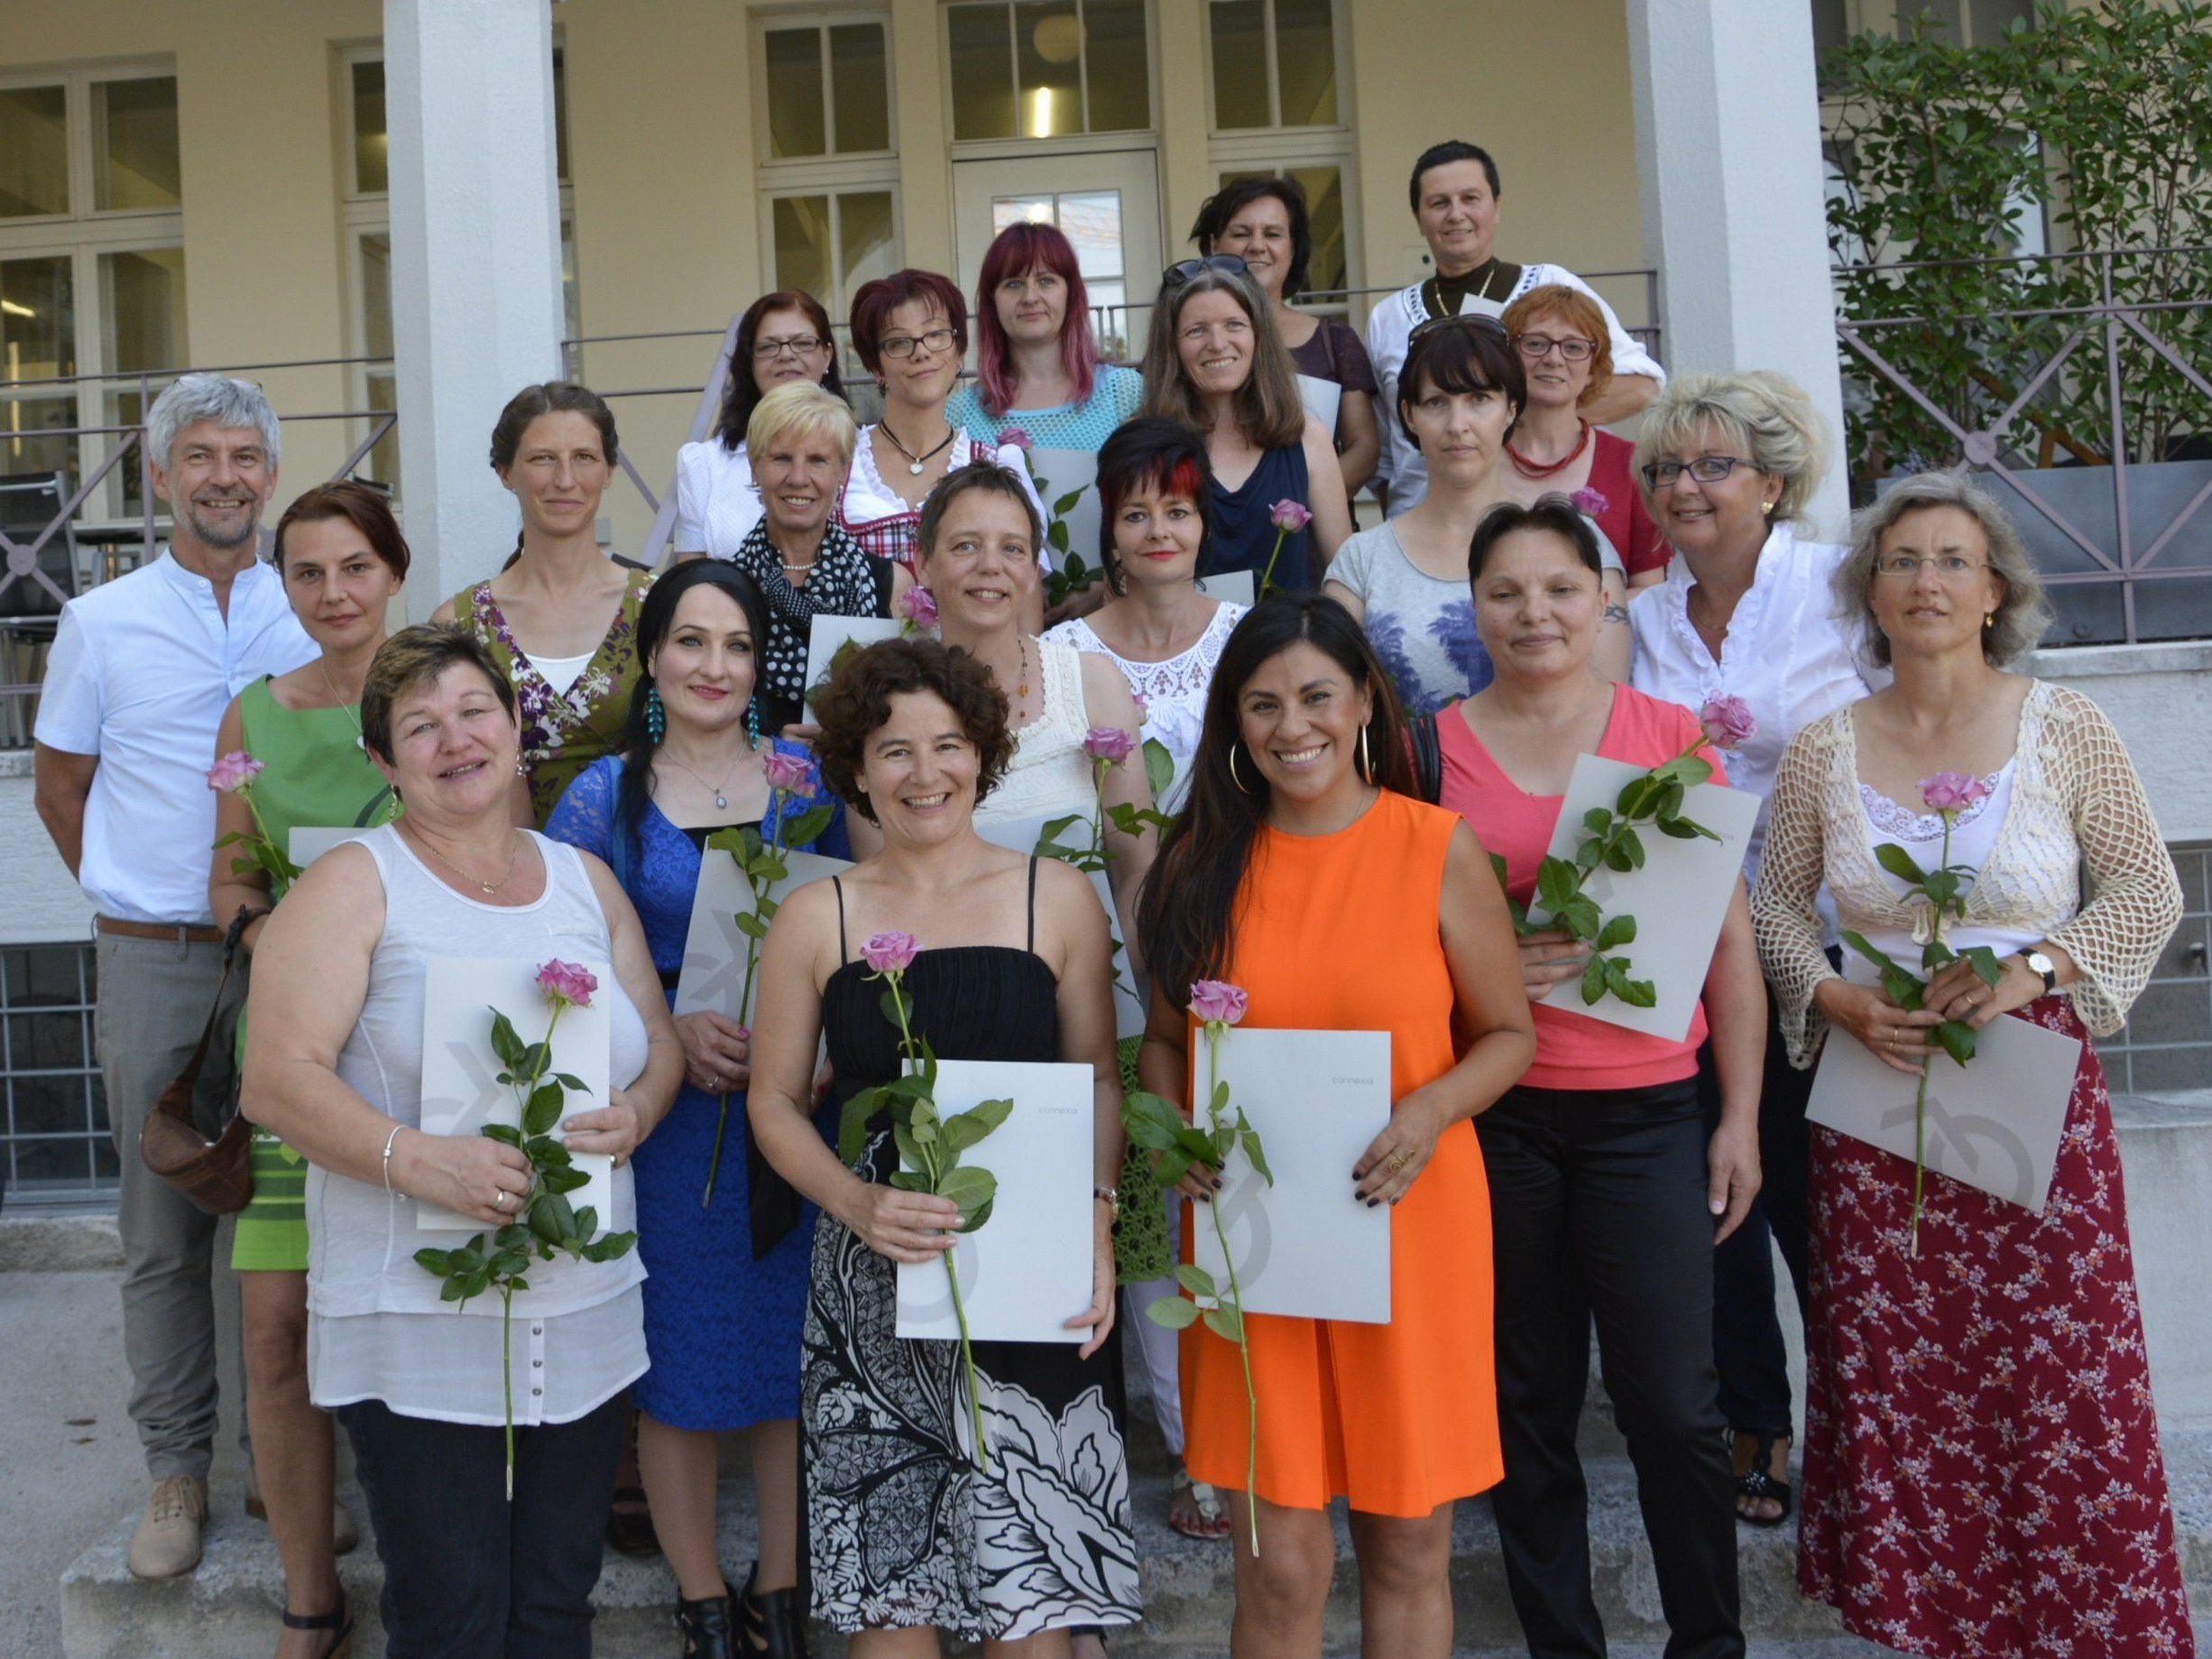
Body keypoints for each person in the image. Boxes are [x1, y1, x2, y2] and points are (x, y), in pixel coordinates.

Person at [1750, 471, 2191, 1657]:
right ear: (1871, 591)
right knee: (1904, 1378)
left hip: (2030, 1080)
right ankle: (1927, 1627)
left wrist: (2031, 968)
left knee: (2064, 1379)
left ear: (1996, 590)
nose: (1927, 580)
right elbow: (1774, 904)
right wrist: (1835, 990)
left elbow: (2151, 886)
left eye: (1953, 559)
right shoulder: (1824, 749)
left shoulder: (2066, 726)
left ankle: (2084, 1627)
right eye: (1902, 560)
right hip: (1872, 1087)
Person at [241, 623, 683, 1659]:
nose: (455, 739)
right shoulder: (355, 884)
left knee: (554, 1608)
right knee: (451, 1612)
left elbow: (655, 1040)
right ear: (384, 762)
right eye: (421, 725)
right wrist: (416, 1158)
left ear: (516, 725)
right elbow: (276, 1080)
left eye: (474, 711)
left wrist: (646, 1107)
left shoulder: (582, 879)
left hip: (578, 1305)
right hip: (417, 1314)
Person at [1135, 596, 1535, 1658]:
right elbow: (1164, 1045)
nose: (1290, 726)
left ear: (1364, 700)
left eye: (1315, 695)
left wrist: (1431, 1105)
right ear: (1233, 722)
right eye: (1261, 704)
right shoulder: (1195, 865)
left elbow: (1507, 1034)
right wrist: (1176, 1135)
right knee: (1279, 1566)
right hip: (1253, 1242)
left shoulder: (1436, 849)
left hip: (1407, 1218)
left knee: (1408, 1546)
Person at [745, 635, 1140, 1648]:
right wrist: (853, 1203)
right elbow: (774, 1103)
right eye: (895, 751)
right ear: (858, 771)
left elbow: (1098, 1076)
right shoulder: (811, 913)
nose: (926, 773)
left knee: (1036, 1601)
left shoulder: (1055, 896)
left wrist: (1097, 1225)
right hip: (873, 1274)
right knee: (891, 1602)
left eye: (949, 744)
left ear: (985, 753)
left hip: (1035, 1267)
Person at [1431, 499, 1760, 1659]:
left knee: (1674, 1405)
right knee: (1526, 1407)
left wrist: (1739, 1118)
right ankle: (1562, 1645)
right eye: (1505, 592)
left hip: (1648, 1118)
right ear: (1472, 608)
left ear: (1605, 593)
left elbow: (1728, 946)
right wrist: (1485, 962)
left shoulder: (1669, 735)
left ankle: (1705, 1641)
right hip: (1501, 1121)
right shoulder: (1430, 752)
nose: (1534, 612)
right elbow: (1400, 947)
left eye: (1560, 588)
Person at [32, 373, 317, 1582]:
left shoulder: (309, 606)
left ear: (269, 472)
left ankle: (284, 1461)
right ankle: (176, 1468)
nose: (225, 475)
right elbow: (61, 785)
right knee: (162, 1226)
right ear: (158, 476)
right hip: (155, 955)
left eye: (246, 454)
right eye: (200, 454)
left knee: (290, 1216)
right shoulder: (102, 621)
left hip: (294, 949)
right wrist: (137, 893)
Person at [547, 561, 848, 1658]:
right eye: (689, 641)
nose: (713, 665)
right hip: (666, 1120)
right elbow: (568, 959)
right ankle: (700, 1598)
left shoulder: (805, 785)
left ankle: (780, 1585)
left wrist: (805, 1047)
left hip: (790, 1111)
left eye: (735, 644)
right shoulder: (599, 799)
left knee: (781, 1357)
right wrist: (667, 1031)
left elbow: (855, 934)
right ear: (654, 656)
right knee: (672, 1357)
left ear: (759, 660)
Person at [1627, 371, 1878, 1525]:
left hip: (1828, 953)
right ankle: (1753, 1425)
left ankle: (1868, 1437)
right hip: (1687, 949)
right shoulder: (1639, 620)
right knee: (1717, 1200)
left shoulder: (1837, 593)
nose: (1685, 486)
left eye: (1713, 466)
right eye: (1669, 468)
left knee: (1831, 1205)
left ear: (1773, 485)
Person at [208, 483, 405, 1655]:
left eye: (354, 567)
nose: (333, 593)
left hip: (416, 1050)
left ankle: (433, 1559)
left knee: (412, 1312)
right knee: (278, 1326)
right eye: (307, 573)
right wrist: (272, 931)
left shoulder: (440, 689)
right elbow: (228, 877)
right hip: (291, 1050)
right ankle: (308, 1594)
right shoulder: (253, 714)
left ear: (393, 570)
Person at [1042, 417, 1245, 1543]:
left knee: (1229, 1198)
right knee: (1145, 1216)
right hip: (1113, 964)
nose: (1158, 529)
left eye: (1176, 507)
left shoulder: (1252, 636)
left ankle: (1251, 1427)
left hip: (1241, 954)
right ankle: (1188, 1448)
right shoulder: (1070, 657)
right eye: (1135, 511)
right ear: (1108, 532)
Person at [871, 465, 1157, 954]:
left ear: (1031, 571)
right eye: (965, 546)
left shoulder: (1092, 683)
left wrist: (1112, 996)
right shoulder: (886, 704)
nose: (990, 565)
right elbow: (882, 891)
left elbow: (1137, 870)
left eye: (1012, 549)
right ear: (923, 563)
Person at [1326, 318, 1628, 714]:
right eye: (1436, 403)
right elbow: (1336, 702)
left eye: (1479, 400)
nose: (1457, 425)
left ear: (1511, 409)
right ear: (1409, 414)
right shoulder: (1362, 560)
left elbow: (1610, 705)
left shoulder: (1575, 540)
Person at [1368, 142, 1664, 517]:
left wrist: (1529, 422)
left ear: (1497, 207)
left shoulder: (1549, 286)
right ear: (1418, 216)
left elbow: (1642, 385)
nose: (1456, 214)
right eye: (1439, 203)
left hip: (1523, 517)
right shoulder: (1387, 317)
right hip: (1417, 519)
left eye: (1470, 198)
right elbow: (1384, 453)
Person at [434, 381, 654, 826]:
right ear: (505, 472)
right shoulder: (460, 623)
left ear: (609, 471)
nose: (565, 480)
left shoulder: (657, 605)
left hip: (639, 858)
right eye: (542, 459)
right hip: (503, 867)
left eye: (584, 458)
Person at [1139, 261, 1350, 591]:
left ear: (1258, 334)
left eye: (1234, 324)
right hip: (1183, 642)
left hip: (1288, 640)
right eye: (1197, 330)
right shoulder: (1142, 446)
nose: (1218, 343)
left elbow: (1344, 577)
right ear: (1172, 347)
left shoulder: (1308, 435)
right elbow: (1126, 582)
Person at [716, 381, 910, 738]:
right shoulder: (721, 590)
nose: (798, 478)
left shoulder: (891, 583)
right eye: (781, 458)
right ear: (755, 469)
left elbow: (910, 708)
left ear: (841, 472)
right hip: (754, 781)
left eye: (817, 460)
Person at [838, 270, 1044, 597]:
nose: (922, 352)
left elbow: (1025, 598)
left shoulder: (994, 464)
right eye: (899, 342)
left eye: (936, 335)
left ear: (958, 349)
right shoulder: (839, 463)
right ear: (875, 367)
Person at [1189, 175, 1381, 496]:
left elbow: (1365, 449)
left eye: (1273, 234)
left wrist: (1294, 509)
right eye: (1241, 233)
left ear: (1293, 249)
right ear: (1213, 245)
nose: (1257, 245)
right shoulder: (1188, 341)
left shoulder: (1335, 340)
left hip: (1313, 535)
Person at [1498, 284, 1668, 587]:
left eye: (1574, 347)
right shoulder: (1477, 457)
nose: (1553, 359)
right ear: (1509, 354)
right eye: (1536, 344)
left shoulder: (1630, 463)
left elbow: (1649, 588)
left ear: (1593, 367)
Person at [673, 290, 844, 562]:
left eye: (802, 343)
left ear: (827, 355)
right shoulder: (705, 464)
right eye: (768, 346)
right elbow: (691, 578)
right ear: (749, 363)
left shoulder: (865, 454)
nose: (786, 355)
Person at [949, 221, 1144, 452]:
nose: (1030, 297)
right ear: (992, 301)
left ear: (1070, 294)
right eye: (1013, 284)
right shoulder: (960, 412)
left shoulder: (1124, 392)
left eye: (1046, 281)